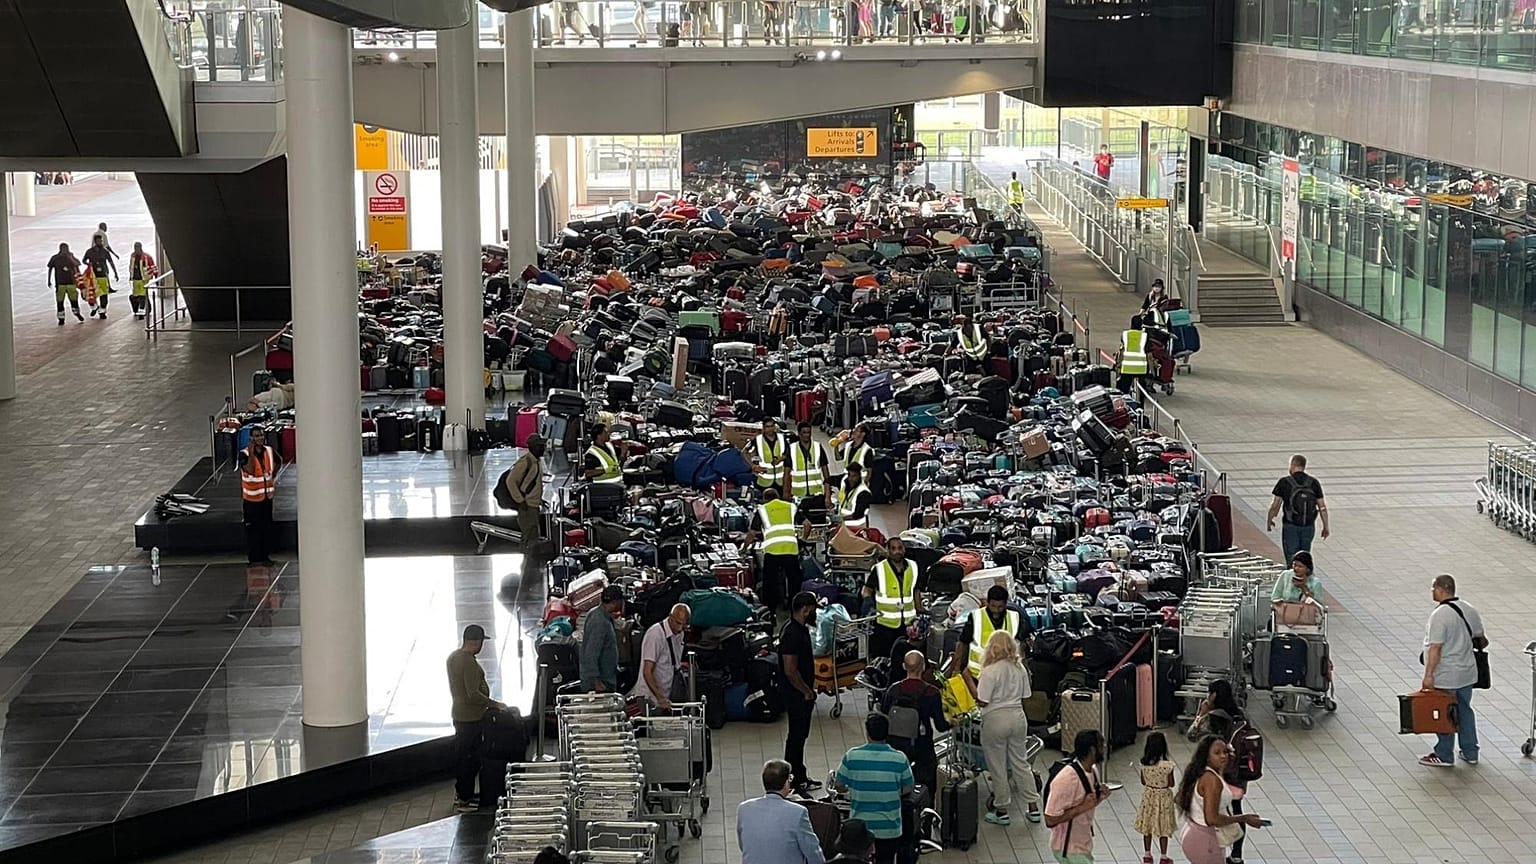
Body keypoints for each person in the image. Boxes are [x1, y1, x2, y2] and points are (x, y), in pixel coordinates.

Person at [1419, 573, 1487, 768]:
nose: (1432, 592)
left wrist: (1429, 675)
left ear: (1440, 589)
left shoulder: (1439, 615)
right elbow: (1482, 639)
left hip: (1447, 675)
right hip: (1467, 672)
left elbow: (1436, 648)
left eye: (1433, 588)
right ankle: (1470, 752)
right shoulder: (1469, 609)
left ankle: (1444, 754)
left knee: (1444, 711)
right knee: (1465, 710)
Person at [1183, 678, 1254, 863]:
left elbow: (1192, 735)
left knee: (1215, 812)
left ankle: (1218, 845)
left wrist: (1201, 713)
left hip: (1218, 774)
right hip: (1237, 775)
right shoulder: (1239, 714)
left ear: (1213, 695)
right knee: (1236, 810)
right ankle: (1237, 854)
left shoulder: (1213, 717)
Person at [832, 713, 916, 864]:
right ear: (887, 732)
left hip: (860, 830)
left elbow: (838, 785)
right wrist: (893, 792)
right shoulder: (899, 758)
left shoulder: (852, 756)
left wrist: (851, 790)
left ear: (867, 733)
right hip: (889, 829)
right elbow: (909, 787)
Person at [977, 630, 1041, 826]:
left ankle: (1002, 810)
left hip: (995, 719)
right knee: (1021, 763)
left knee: (997, 766)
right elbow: (1026, 694)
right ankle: (1033, 807)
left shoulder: (990, 671)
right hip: (1018, 717)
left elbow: (982, 701)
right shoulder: (1019, 667)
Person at [1175, 735, 1265, 864]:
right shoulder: (1212, 780)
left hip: (1195, 832)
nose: (1223, 756)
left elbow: (1178, 798)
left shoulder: (1203, 773)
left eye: (1225, 752)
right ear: (1207, 756)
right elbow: (1212, 819)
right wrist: (1244, 818)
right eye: (1217, 753)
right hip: (1205, 840)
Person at [447, 623, 504, 813]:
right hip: (470, 718)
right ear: (475, 642)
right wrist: (494, 704)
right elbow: (473, 694)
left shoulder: (453, 657)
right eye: (481, 642)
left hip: (459, 714)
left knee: (462, 755)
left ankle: (463, 794)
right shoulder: (469, 662)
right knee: (469, 759)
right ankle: (464, 799)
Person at [879, 650, 947, 794]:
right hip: (922, 745)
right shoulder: (931, 692)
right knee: (927, 782)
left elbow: (884, 716)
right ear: (923, 667)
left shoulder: (893, 690)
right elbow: (941, 726)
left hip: (896, 745)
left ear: (904, 666)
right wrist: (953, 722)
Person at [737, 759, 827, 864]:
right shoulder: (798, 812)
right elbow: (812, 852)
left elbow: (743, 845)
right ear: (786, 783)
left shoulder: (744, 809)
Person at [1044, 729, 1110, 864]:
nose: (1104, 749)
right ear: (1092, 750)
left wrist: (1099, 797)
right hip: (1068, 848)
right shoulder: (1067, 779)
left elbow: (1087, 802)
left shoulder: (1092, 770)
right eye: (1101, 746)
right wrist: (1083, 807)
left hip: (1081, 844)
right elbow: (1050, 819)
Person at [952, 585, 1029, 700]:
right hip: (978, 676)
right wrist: (956, 668)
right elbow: (962, 642)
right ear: (987, 602)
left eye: (1000, 607)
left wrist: (1024, 668)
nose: (996, 610)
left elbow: (1021, 646)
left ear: (1005, 604)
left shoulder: (1015, 618)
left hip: (1005, 679)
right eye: (993, 606)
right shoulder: (976, 617)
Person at [780, 591, 821, 793]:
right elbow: (790, 669)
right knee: (796, 738)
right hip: (796, 696)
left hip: (800, 693)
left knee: (799, 737)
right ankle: (794, 780)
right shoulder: (792, 634)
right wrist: (806, 691)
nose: (814, 614)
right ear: (805, 610)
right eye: (812, 610)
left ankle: (799, 775)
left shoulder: (798, 629)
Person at [863, 537, 921, 666]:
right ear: (888, 551)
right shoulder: (879, 569)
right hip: (885, 625)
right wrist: (869, 604)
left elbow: (916, 590)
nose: (897, 552)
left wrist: (920, 611)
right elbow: (866, 590)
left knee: (905, 660)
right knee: (885, 660)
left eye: (900, 548)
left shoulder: (913, 567)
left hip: (908, 625)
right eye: (893, 548)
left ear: (904, 549)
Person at [1266, 454, 1329, 562]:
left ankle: (1293, 576)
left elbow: (1275, 505)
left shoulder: (1284, 482)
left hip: (1291, 526)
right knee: (1305, 557)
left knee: (1292, 558)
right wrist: (1326, 526)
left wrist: (1269, 519)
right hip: (1308, 526)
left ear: (1293, 465)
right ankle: (1305, 576)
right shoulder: (1313, 482)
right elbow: (1322, 507)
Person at [750, 488, 802, 612]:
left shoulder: (762, 510)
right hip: (791, 549)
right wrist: (802, 539)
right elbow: (807, 524)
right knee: (794, 579)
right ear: (778, 497)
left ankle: (770, 610)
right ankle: (794, 606)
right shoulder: (791, 507)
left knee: (770, 582)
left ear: (764, 499)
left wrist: (744, 547)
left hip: (772, 551)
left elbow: (752, 533)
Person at [631, 603, 691, 709]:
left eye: (684, 625)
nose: (680, 628)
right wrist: (660, 698)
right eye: (678, 623)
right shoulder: (655, 635)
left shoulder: (679, 633)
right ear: (670, 617)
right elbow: (647, 671)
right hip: (650, 697)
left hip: (666, 694)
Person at [238, 426, 281, 565]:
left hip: (266, 498)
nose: (260, 438)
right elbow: (249, 469)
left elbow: (278, 461)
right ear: (251, 438)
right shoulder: (243, 454)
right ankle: (254, 558)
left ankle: (265, 556)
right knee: (252, 530)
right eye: (256, 436)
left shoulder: (268, 450)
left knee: (266, 528)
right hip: (251, 500)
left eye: (261, 435)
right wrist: (251, 453)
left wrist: (272, 477)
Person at [1133, 731, 1177, 864]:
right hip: (1163, 798)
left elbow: (1143, 781)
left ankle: (1147, 854)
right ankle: (1164, 856)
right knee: (1163, 827)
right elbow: (1171, 783)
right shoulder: (1167, 766)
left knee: (1148, 827)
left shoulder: (1144, 764)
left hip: (1149, 797)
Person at [503, 434, 547, 555]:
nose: (543, 448)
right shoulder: (525, 462)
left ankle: (529, 562)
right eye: (540, 446)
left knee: (531, 535)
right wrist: (520, 500)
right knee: (530, 536)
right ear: (533, 447)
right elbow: (510, 481)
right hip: (527, 506)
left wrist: (539, 499)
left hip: (533, 504)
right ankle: (529, 563)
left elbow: (533, 483)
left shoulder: (536, 461)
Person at [580, 585, 624, 693]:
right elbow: (591, 654)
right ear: (615, 602)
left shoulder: (596, 613)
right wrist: (596, 681)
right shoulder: (600, 623)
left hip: (605, 677)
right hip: (601, 683)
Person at [783, 422, 832, 510]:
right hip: (798, 496)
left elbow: (827, 476)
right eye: (804, 433)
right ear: (799, 433)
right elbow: (786, 474)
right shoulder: (792, 449)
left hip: (817, 495)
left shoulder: (818, 447)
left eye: (808, 432)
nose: (807, 435)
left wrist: (827, 496)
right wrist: (786, 493)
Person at [46, 243, 85, 324]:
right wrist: (49, 280)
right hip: (60, 283)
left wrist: (70, 257)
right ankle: (61, 318)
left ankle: (77, 313)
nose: (65, 251)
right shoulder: (55, 258)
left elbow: (77, 264)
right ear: (60, 249)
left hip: (71, 282)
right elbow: (50, 268)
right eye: (64, 249)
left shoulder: (71, 257)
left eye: (66, 249)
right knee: (60, 301)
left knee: (74, 300)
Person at [80, 234, 118, 319]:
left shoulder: (105, 251)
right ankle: (94, 307)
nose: (100, 242)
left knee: (104, 295)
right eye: (98, 241)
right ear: (95, 241)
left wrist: (115, 273)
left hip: (103, 276)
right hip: (92, 277)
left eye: (101, 241)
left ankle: (102, 312)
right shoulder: (89, 251)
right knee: (90, 294)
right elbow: (83, 260)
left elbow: (111, 262)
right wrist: (88, 264)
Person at [752, 417, 787, 493]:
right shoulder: (757, 440)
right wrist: (753, 466)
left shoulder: (782, 438)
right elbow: (744, 452)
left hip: (780, 481)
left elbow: (789, 452)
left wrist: (782, 458)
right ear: (763, 428)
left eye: (772, 426)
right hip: (764, 481)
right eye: (767, 427)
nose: (770, 429)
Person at [835, 463, 872, 529]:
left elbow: (858, 515)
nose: (851, 479)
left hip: (857, 528)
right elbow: (828, 480)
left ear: (859, 476)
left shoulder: (863, 492)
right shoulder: (846, 485)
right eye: (849, 475)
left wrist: (839, 519)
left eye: (854, 476)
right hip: (844, 526)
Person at [127, 241, 157, 319]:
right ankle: (146, 309)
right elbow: (131, 266)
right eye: (135, 247)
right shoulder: (132, 256)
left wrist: (156, 278)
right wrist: (131, 276)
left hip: (144, 279)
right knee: (136, 296)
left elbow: (153, 267)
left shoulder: (147, 257)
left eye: (137, 247)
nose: (136, 249)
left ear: (140, 247)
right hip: (135, 280)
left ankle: (141, 312)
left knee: (142, 296)